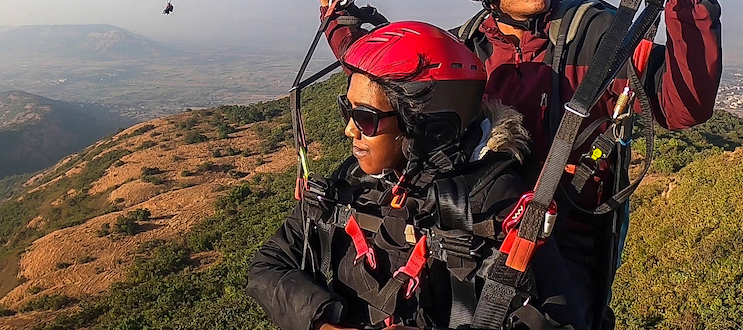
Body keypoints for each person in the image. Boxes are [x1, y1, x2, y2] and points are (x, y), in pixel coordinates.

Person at [299, 0, 721, 330]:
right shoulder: (465, 50)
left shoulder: (596, 33)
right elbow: (384, 69)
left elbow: (684, 103)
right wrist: (330, 2)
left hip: (563, 246)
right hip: (475, 236)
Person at [248, 22, 588, 330]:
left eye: (365, 117)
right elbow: (268, 267)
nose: (349, 129)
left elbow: (557, 320)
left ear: (426, 126)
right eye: (346, 109)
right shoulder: (352, 181)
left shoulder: (496, 202)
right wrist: (324, 323)